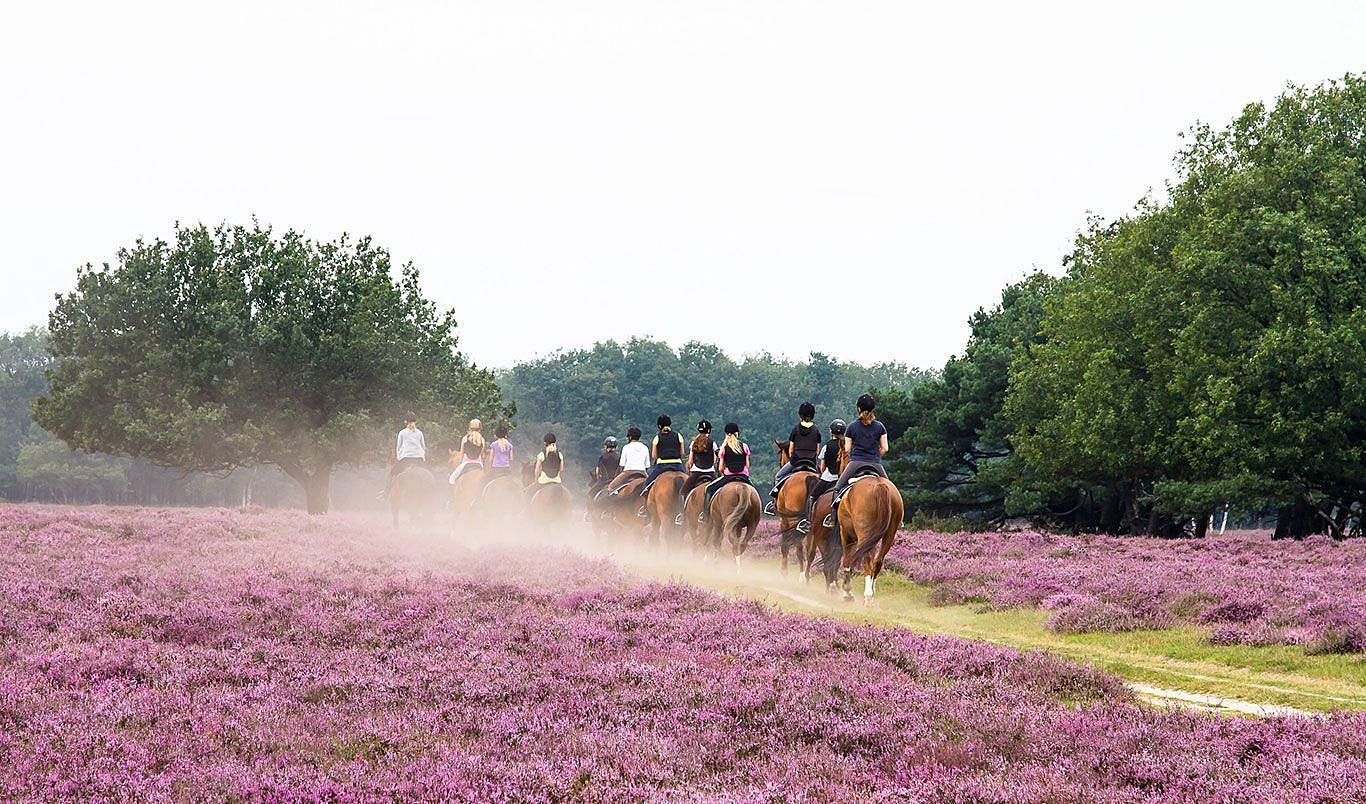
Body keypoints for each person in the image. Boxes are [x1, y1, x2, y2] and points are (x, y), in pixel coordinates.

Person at [824, 394, 889, 527]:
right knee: (889, 489)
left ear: (858, 409)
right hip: (875, 464)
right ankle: (898, 521)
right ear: (872, 409)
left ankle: (832, 519)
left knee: (837, 488)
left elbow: (847, 450)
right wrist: (876, 455)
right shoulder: (880, 427)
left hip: (856, 463)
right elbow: (885, 448)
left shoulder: (852, 427)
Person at [764, 401, 822, 515]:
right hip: (811, 462)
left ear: (800, 415)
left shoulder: (795, 429)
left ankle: (774, 504)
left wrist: (794, 456)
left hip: (796, 461)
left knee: (778, 476)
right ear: (813, 415)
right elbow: (817, 450)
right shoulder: (816, 431)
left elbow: (790, 450)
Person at [796, 418, 845, 534]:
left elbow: (822, 468)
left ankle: (808, 522)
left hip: (828, 478)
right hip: (842, 480)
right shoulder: (847, 447)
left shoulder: (826, 447)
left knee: (812, 497)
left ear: (831, 432)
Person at [698, 422, 753, 523]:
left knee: (708, 489)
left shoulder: (723, 448)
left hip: (728, 477)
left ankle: (705, 516)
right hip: (743, 476)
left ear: (726, 434)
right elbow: (747, 465)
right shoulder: (744, 446)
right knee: (753, 492)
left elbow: (720, 468)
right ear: (737, 434)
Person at [636, 415, 688, 515]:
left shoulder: (657, 438)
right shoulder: (678, 436)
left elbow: (654, 456)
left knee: (647, 485)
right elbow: (682, 453)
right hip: (677, 464)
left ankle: (644, 509)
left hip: (662, 465)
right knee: (689, 484)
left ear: (659, 426)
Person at [381, 413, 425, 498]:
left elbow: (398, 447)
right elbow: (423, 446)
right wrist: (422, 458)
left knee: (391, 474)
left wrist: (399, 457)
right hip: (419, 459)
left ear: (406, 422)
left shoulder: (402, 433)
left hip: (406, 459)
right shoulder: (420, 433)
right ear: (415, 422)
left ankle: (385, 494)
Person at [681, 419, 717, 498]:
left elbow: (690, 461)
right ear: (709, 430)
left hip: (696, 473)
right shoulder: (712, 443)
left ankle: (682, 510)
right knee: (719, 491)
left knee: (683, 491)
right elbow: (714, 460)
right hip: (710, 472)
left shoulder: (694, 442)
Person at [608, 427, 650, 493]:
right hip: (642, 472)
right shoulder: (645, 447)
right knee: (649, 486)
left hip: (628, 472)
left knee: (610, 487)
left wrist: (622, 473)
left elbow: (622, 465)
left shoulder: (626, 447)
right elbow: (647, 466)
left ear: (630, 437)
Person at [449, 418, 486, 484]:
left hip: (466, 463)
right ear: (480, 428)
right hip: (479, 464)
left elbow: (462, 454)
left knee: (451, 479)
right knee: (484, 483)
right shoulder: (482, 439)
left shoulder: (465, 438)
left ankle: (452, 494)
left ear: (470, 427)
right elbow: (481, 454)